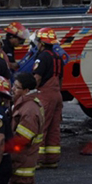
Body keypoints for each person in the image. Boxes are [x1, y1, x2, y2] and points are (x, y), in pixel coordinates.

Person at [6, 72, 45, 184]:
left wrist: (4, 153)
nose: (12, 89)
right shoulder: (26, 104)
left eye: (16, 87)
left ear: (26, 90)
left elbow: (21, 140)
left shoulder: (29, 110)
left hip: (23, 159)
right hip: (24, 157)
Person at [32, 28, 63, 169]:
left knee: (41, 127)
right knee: (54, 127)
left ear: (42, 43)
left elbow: (37, 77)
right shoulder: (58, 57)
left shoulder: (42, 57)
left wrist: (31, 92)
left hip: (45, 94)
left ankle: (38, 159)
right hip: (57, 94)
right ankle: (52, 159)